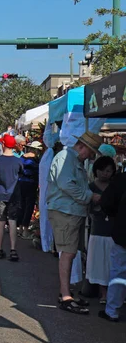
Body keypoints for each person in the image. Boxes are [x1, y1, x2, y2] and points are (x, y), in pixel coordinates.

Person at [47, 131, 103, 314]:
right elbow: (66, 185)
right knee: (68, 253)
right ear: (83, 147)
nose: (91, 156)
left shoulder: (72, 159)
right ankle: (65, 296)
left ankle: (66, 293)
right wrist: (89, 196)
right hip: (65, 211)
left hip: (71, 211)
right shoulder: (66, 158)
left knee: (70, 252)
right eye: (91, 151)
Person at [85, 156, 116, 303]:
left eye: (108, 171)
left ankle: (112, 293)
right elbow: (87, 208)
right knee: (99, 263)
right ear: (96, 171)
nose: (105, 173)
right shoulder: (90, 188)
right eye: (102, 170)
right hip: (97, 230)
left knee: (112, 263)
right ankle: (103, 293)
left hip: (113, 232)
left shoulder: (115, 186)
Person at [99, 163, 126, 322]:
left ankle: (112, 310)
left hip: (123, 233)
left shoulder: (121, 179)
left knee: (119, 272)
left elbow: (106, 202)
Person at [0, 135, 23, 262]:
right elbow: (20, 174)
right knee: (12, 221)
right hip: (14, 194)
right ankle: (13, 250)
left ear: (3, 145)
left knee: (1, 222)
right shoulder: (18, 161)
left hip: (0, 194)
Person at [17, 141, 42, 239]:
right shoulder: (36, 160)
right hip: (31, 184)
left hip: (21, 183)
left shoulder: (22, 158)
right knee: (29, 206)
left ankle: (20, 229)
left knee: (21, 205)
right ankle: (25, 229)